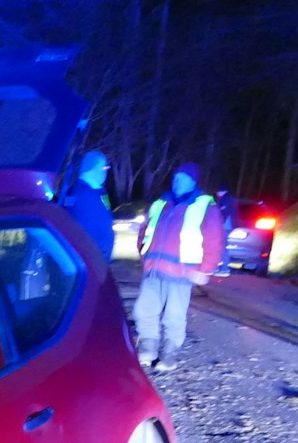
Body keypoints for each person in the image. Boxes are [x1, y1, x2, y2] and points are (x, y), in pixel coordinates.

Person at [133, 162, 223, 371]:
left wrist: (205, 269)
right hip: (154, 268)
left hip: (182, 271)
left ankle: (169, 354)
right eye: (175, 178)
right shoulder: (160, 203)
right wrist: (144, 254)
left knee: (174, 314)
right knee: (145, 310)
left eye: (183, 178)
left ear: (193, 181)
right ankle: (148, 348)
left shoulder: (204, 205)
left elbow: (214, 239)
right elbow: (145, 230)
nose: (177, 181)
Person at [62, 150, 115, 259]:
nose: (106, 172)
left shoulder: (94, 190)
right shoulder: (84, 194)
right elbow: (89, 231)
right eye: (104, 168)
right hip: (91, 259)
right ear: (92, 169)